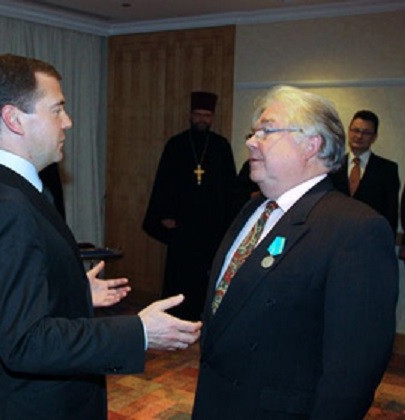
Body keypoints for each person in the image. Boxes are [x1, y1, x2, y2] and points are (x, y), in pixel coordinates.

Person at [0, 54, 201, 420]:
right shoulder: (3, 208)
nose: (67, 122)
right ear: (14, 119)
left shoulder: (5, 191)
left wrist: (74, 291)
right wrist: (139, 332)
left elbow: (13, 301)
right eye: (57, 110)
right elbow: (24, 342)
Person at [192, 85, 398, 419]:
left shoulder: (356, 229)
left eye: (266, 131)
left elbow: (351, 373)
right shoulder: (253, 210)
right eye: (253, 131)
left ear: (311, 144)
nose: (250, 141)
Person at [142, 91, 237, 321]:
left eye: (207, 115)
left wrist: (230, 222)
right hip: (183, 225)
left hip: (212, 226)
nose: (202, 120)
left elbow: (230, 188)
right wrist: (165, 214)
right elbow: (163, 182)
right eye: (198, 115)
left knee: (209, 274)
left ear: (212, 117)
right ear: (190, 115)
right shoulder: (176, 145)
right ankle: (177, 314)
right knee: (180, 273)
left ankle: (207, 315)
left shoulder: (221, 146)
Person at [330, 110, 400, 236]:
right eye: (355, 130)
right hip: (335, 237)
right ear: (349, 131)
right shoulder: (333, 166)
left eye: (366, 133)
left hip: (370, 239)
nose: (359, 136)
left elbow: (391, 214)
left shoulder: (388, 170)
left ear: (374, 137)